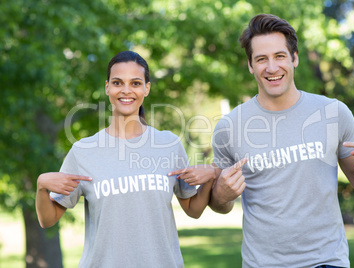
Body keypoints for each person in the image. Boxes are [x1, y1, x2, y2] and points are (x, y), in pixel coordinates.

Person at [179, 14, 354, 267]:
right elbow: (221, 205)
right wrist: (221, 196)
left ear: (295, 58)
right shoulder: (229, 127)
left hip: (327, 261)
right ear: (250, 65)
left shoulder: (333, 113)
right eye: (261, 59)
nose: (271, 67)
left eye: (279, 56)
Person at [35, 51, 217, 268]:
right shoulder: (83, 151)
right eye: (118, 82)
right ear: (107, 87)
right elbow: (48, 220)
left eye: (136, 83)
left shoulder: (168, 144)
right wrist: (41, 188)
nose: (126, 90)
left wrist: (210, 178)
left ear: (146, 89)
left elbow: (193, 210)